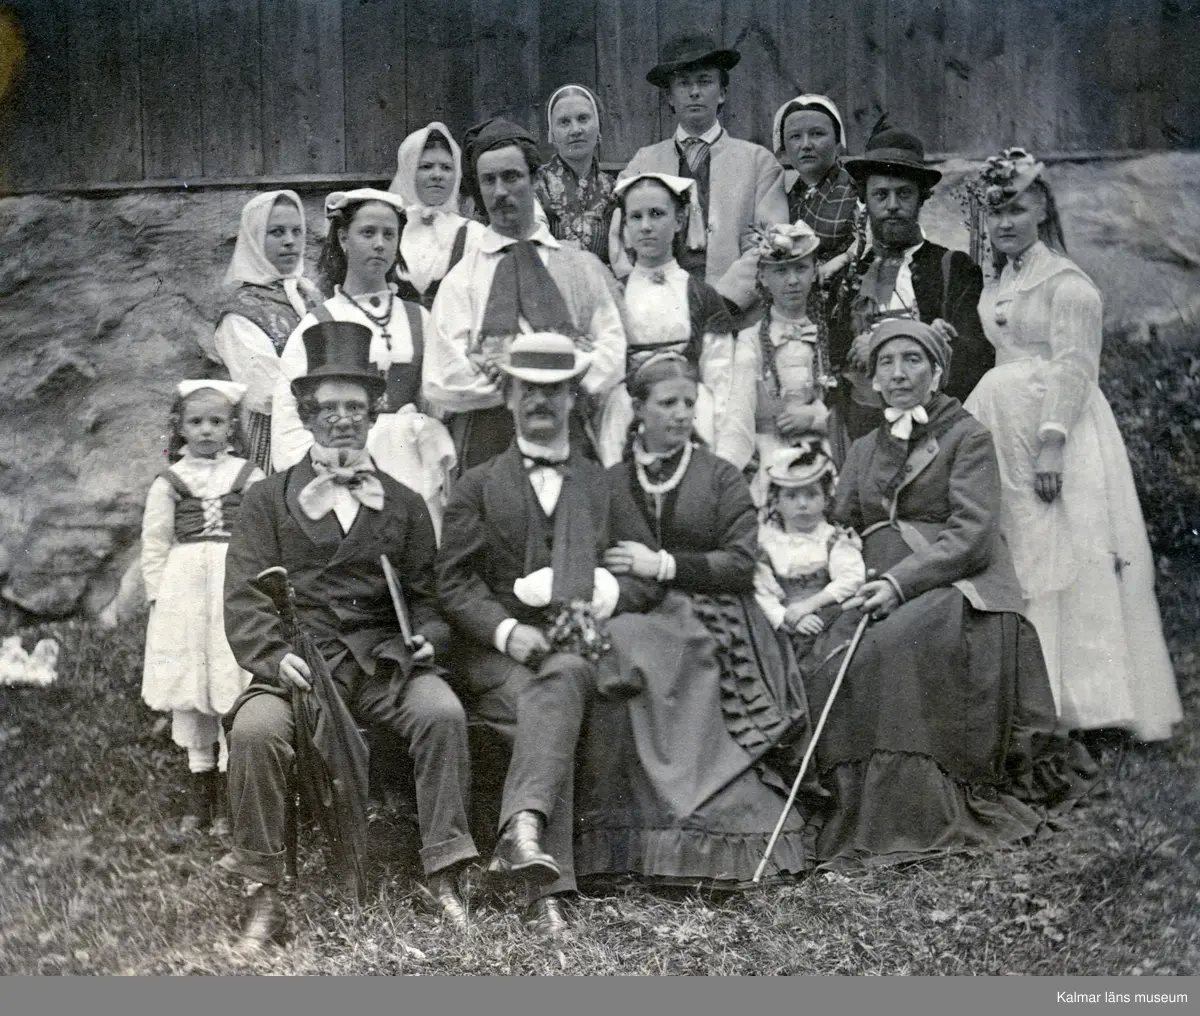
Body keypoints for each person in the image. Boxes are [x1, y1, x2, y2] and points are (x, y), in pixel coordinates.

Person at [220, 323, 479, 950]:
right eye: (328, 408)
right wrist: (274, 657)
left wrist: (428, 638)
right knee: (255, 731)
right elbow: (245, 596)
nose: (342, 420)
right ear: (308, 414)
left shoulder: (405, 502)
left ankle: (443, 871)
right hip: (300, 666)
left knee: (442, 713)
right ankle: (263, 892)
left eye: (355, 408)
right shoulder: (266, 500)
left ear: (373, 413)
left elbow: (428, 597)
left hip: (381, 663)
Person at [802, 318, 1093, 869]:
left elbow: (972, 535)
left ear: (936, 372)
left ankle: (906, 811)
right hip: (875, 581)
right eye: (886, 363)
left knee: (888, 648)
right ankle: (841, 800)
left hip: (958, 584)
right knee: (827, 653)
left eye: (912, 360)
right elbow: (842, 520)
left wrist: (899, 583)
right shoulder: (863, 447)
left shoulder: (967, 437)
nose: (898, 373)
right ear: (874, 379)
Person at [573, 352, 817, 889]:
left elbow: (740, 562)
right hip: (638, 610)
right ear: (639, 409)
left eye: (689, 402)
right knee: (618, 650)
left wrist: (663, 565)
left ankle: (705, 825)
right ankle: (627, 837)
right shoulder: (609, 483)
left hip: (717, 611)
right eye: (668, 403)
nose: (681, 414)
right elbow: (596, 555)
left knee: (673, 653)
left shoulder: (721, 476)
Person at [962, 149, 1182, 744]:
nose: (1005, 222)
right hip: (1002, 425)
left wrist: (1053, 442)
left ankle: (1087, 701)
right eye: (995, 212)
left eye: (1017, 209)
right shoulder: (1004, 279)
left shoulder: (1068, 284)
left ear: (1042, 209)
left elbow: (1075, 367)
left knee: (1067, 550)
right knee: (1019, 544)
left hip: (1057, 430)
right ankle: (1030, 695)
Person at [436, 332, 629, 938]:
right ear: (509, 398)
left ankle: (523, 838)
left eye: (554, 390)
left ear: (573, 398)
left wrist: (606, 590)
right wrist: (505, 631)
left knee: (561, 684)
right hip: (495, 657)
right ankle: (544, 887)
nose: (541, 401)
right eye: (528, 390)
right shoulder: (476, 483)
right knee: (555, 699)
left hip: (574, 649)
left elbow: (633, 568)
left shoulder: (601, 483)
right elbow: (453, 581)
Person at [424, 117, 626, 472]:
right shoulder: (462, 279)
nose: (500, 191)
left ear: (535, 179)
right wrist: (525, 386)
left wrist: (557, 381)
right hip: (489, 443)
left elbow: (613, 350)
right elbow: (442, 379)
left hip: (568, 434)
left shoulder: (579, 267)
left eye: (511, 177)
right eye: (489, 180)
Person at [271, 189, 455, 535]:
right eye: (367, 233)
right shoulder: (319, 322)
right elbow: (289, 416)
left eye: (389, 234)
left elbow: (438, 404)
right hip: (343, 471)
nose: (379, 244)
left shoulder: (419, 318)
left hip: (413, 470)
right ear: (343, 239)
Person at [140, 380, 264, 837]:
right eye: (196, 422)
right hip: (185, 590)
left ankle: (231, 789)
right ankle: (199, 782)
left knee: (231, 671)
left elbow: (263, 532)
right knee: (191, 678)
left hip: (234, 579)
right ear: (180, 427)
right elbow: (155, 542)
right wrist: (159, 597)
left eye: (216, 421)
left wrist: (260, 587)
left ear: (232, 427)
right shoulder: (169, 481)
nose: (206, 430)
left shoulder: (248, 476)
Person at [828, 119, 993, 452]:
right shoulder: (848, 276)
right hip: (863, 434)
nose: (892, 205)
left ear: (921, 198)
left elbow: (975, 356)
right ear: (865, 200)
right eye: (881, 195)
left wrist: (883, 344)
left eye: (903, 194)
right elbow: (834, 356)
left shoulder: (953, 268)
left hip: (934, 433)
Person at [614, 33, 788, 290]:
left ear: (722, 93)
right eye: (683, 83)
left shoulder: (758, 163)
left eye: (704, 81)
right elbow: (622, 236)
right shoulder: (643, 163)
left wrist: (726, 301)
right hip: (659, 301)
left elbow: (771, 241)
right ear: (670, 97)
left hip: (735, 305)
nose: (694, 92)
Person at [594, 171, 738, 466]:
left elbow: (720, 376)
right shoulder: (614, 293)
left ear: (679, 221)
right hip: (629, 411)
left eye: (657, 214)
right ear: (626, 225)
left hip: (690, 409)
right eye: (636, 217)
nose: (646, 226)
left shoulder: (701, 295)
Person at [723, 222, 835, 500]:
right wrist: (723, 475)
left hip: (827, 451)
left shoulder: (832, 335)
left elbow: (852, 413)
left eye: (801, 268)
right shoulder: (750, 341)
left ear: (814, 271)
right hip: (772, 455)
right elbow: (738, 417)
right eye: (781, 271)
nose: (793, 281)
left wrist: (816, 419)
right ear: (763, 277)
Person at [211, 191, 322, 472]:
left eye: (297, 231)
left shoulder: (310, 296)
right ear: (254, 238)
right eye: (276, 232)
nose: (290, 241)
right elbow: (266, 393)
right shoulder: (241, 313)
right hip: (276, 437)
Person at [753, 441, 865, 661]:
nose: (803, 504)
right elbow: (761, 591)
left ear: (826, 499)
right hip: (781, 625)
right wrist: (785, 617)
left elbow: (851, 578)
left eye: (812, 495)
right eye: (792, 496)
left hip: (829, 618)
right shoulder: (767, 545)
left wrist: (809, 605)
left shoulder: (833, 539)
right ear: (776, 502)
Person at [387, 122, 485, 310]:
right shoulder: (388, 229)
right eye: (426, 166)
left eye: (447, 168)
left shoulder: (474, 235)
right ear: (408, 171)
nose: (437, 175)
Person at [772, 94, 860, 267]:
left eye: (817, 134)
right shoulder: (784, 198)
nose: (806, 145)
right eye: (795, 136)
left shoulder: (856, 191)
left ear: (837, 143)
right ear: (784, 148)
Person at [533, 85, 616, 265]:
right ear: (552, 134)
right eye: (564, 122)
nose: (576, 130)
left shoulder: (613, 188)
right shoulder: (535, 185)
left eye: (583, 118)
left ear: (598, 127)